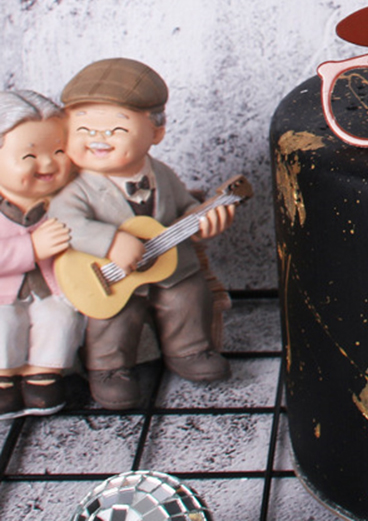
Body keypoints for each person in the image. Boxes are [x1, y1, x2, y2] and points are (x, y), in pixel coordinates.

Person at [49, 58, 235, 410]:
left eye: (116, 130)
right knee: (116, 316)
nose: (98, 139)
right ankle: (108, 368)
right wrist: (110, 241)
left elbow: (184, 208)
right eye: (84, 129)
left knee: (188, 295)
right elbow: (65, 222)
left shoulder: (161, 174)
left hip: (169, 268)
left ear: (156, 132)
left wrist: (203, 220)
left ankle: (189, 350)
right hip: (106, 275)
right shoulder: (76, 188)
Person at [0, 90, 84, 418]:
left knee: (60, 318)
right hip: (3, 295)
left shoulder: (70, 200)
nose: (48, 163)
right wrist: (31, 249)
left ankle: (43, 374)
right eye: (29, 155)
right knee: (5, 322)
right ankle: (5, 376)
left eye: (59, 151)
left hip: (52, 288)